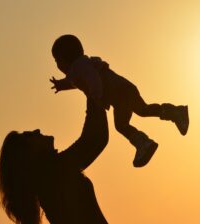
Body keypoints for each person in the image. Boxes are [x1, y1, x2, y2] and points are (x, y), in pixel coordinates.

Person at [0, 97, 127, 224]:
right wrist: (93, 93)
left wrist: (94, 95)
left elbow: (94, 139)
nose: (38, 131)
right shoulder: (53, 171)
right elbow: (94, 140)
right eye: (31, 135)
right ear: (29, 154)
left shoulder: (53, 171)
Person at [50, 34, 189, 167]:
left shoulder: (79, 66)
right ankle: (173, 114)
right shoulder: (80, 67)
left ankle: (145, 142)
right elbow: (75, 81)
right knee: (141, 111)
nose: (57, 65)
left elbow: (92, 79)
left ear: (64, 58)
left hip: (120, 92)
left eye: (57, 61)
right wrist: (61, 85)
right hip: (122, 91)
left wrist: (96, 97)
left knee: (125, 122)